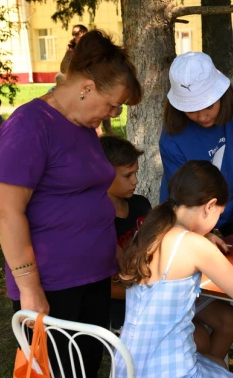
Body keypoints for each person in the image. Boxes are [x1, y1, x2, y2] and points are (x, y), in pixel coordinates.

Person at [0, 30, 141, 378]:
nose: (112, 113)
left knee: (84, 367)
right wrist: (29, 288)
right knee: (58, 371)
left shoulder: (84, 126)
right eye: (112, 103)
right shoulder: (29, 125)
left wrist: (114, 255)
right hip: (54, 283)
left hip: (93, 276)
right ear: (86, 87)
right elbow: (6, 211)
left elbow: (89, 195)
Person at [114, 160, 233, 377]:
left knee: (217, 363)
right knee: (217, 365)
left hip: (129, 367)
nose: (216, 223)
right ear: (209, 206)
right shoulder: (192, 244)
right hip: (168, 371)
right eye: (218, 214)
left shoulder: (147, 232)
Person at [159, 51, 233, 352]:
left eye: (208, 106)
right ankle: (200, 330)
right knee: (201, 268)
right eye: (192, 110)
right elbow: (182, 195)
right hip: (192, 212)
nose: (203, 116)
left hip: (230, 203)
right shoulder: (172, 135)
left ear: (222, 92)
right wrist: (204, 232)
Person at [100, 134, 151, 333]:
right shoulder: (95, 221)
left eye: (136, 173)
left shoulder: (141, 204)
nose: (136, 181)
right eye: (127, 175)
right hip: (119, 310)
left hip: (148, 288)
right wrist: (150, 291)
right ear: (102, 174)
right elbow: (106, 287)